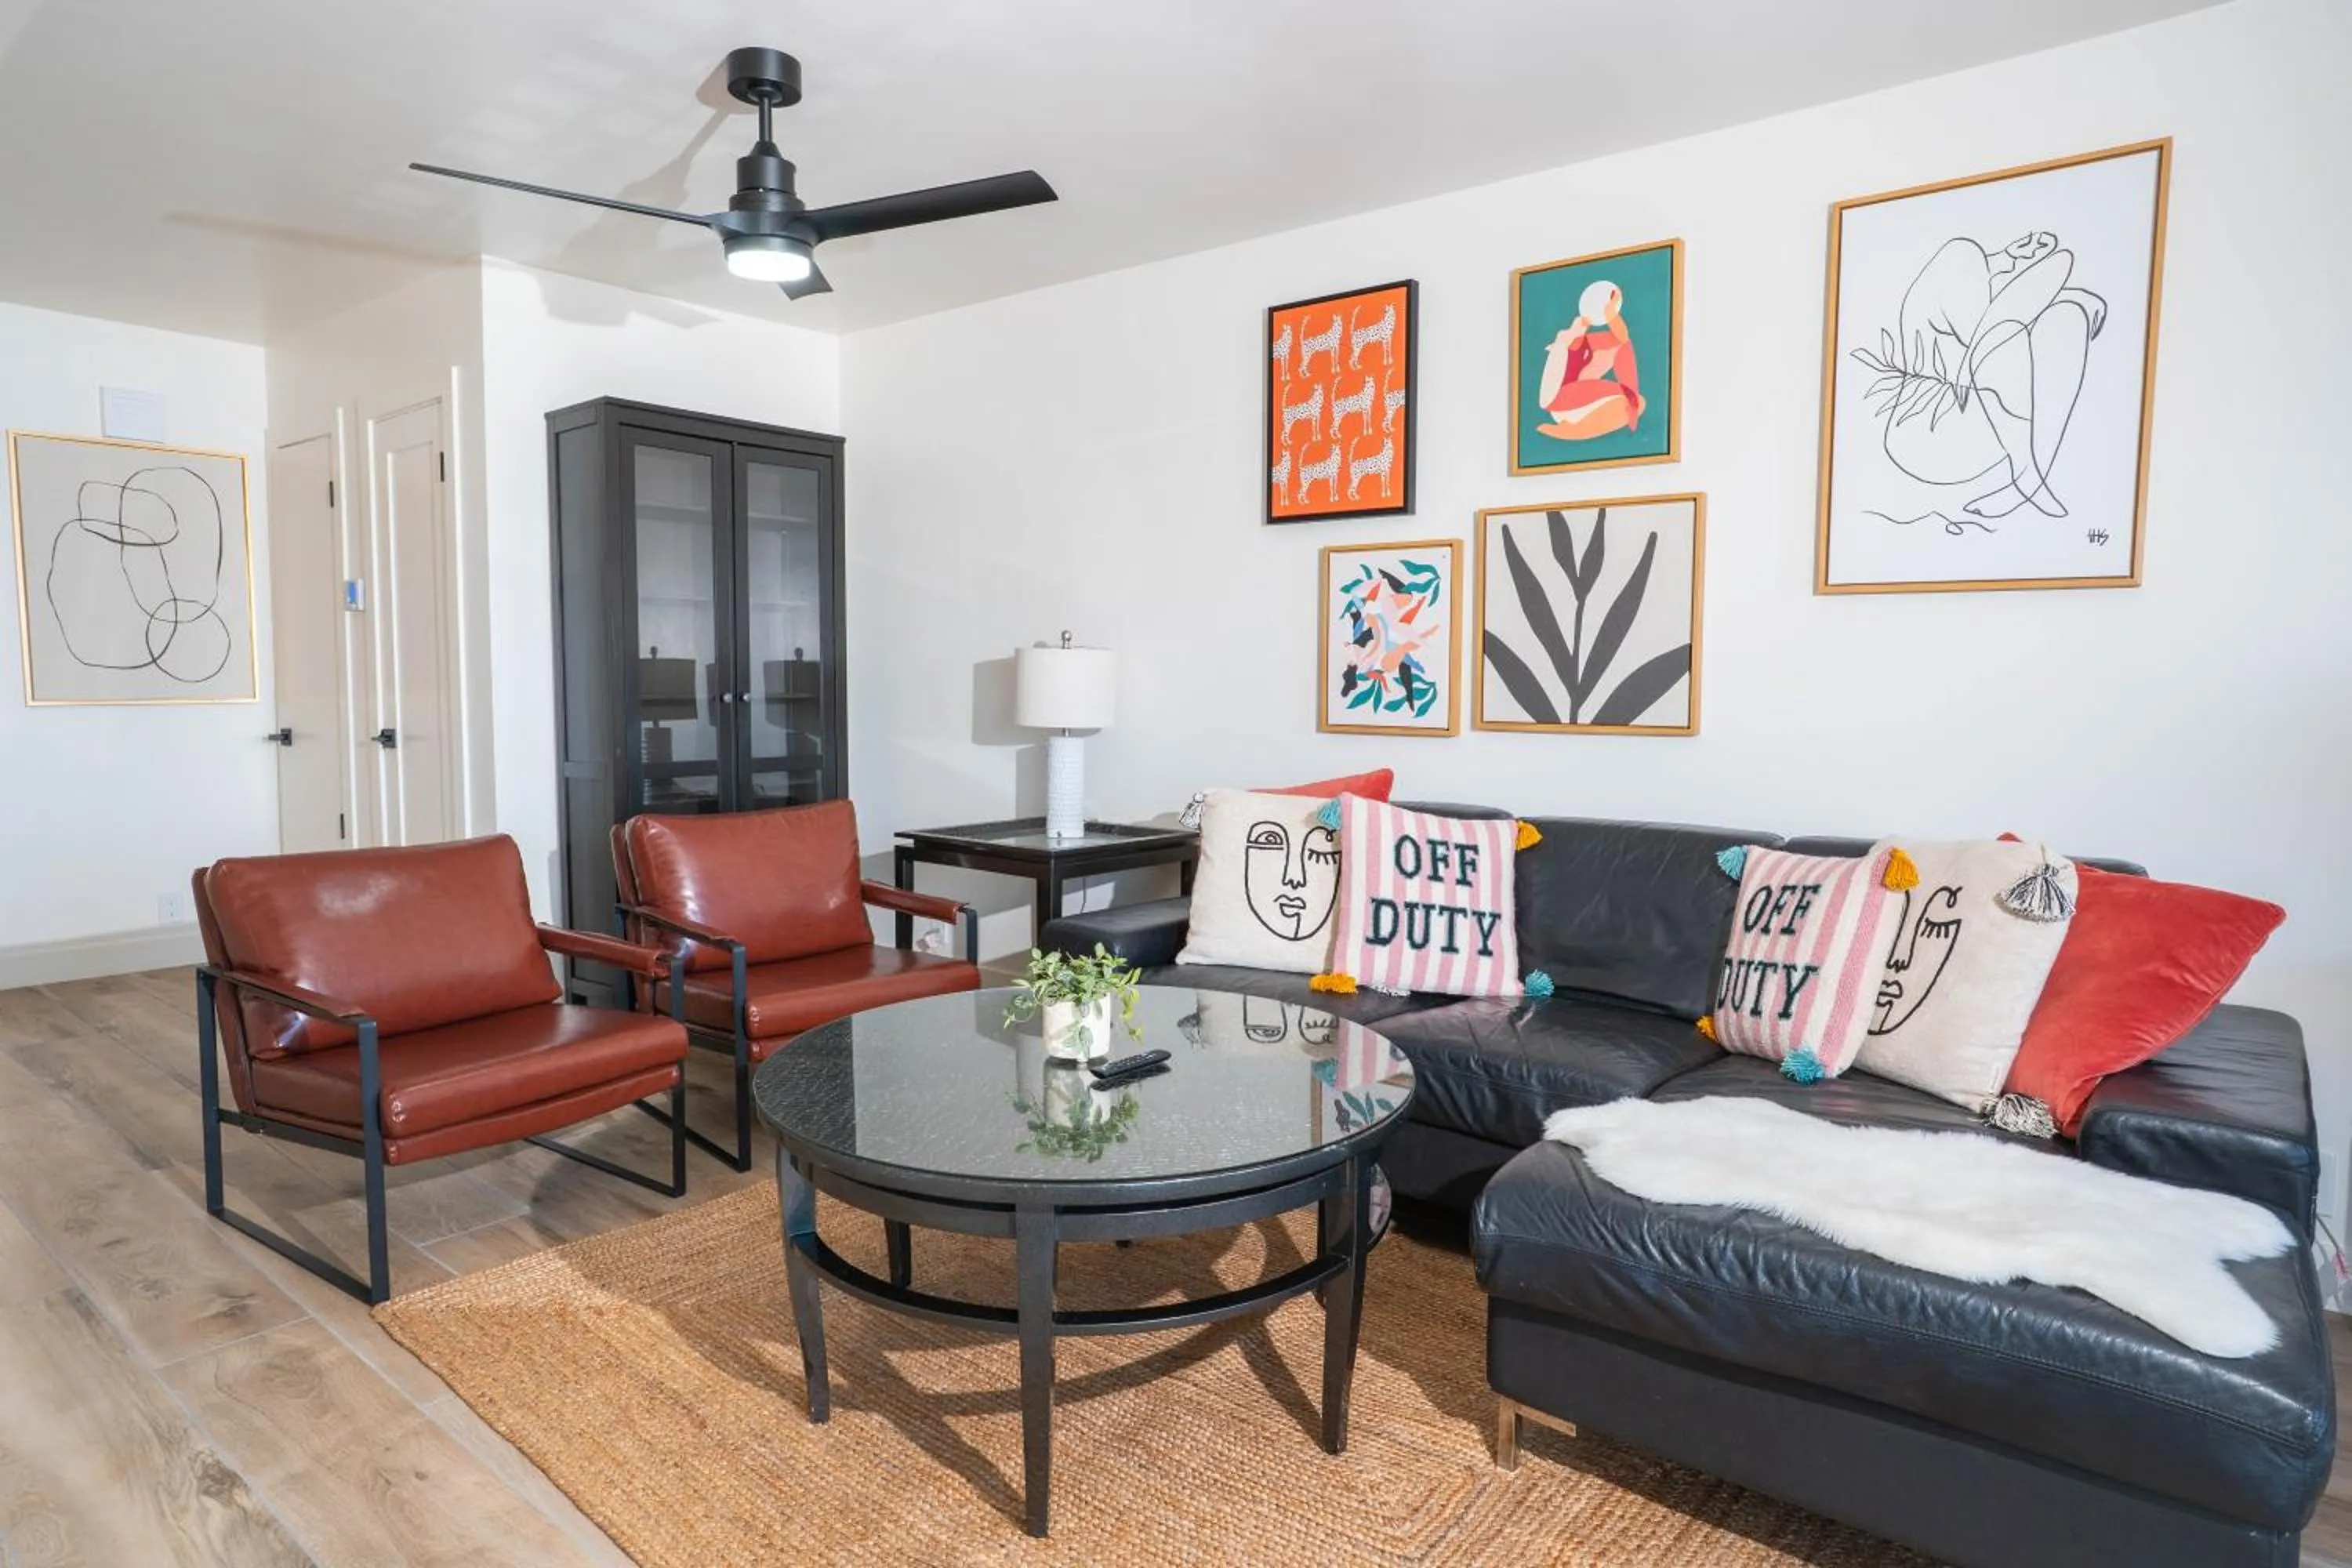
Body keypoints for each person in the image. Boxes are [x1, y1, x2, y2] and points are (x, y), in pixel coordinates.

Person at [1536, 279, 1644, 441]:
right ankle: (1574, 430)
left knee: (1637, 402)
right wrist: (1572, 333)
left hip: (1582, 403)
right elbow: (1566, 340)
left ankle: (1578, 427)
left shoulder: (1588, 343)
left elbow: (1622, 339)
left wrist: (1611, 315)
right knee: (1633, 401)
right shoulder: (1565, 341)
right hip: (1560, 401)